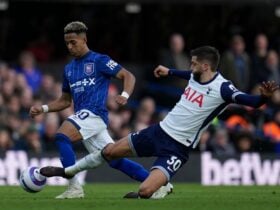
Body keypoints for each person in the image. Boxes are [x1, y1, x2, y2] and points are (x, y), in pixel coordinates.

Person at [40, 46, 278, 199]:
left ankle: (159, 187)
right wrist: (169, 71)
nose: (190, 66)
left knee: (145, 192)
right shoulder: (196, 76)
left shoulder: (223, 88)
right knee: (109, 151)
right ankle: (68, 172)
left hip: (178, 148)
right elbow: (187, 76)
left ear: (206, 66)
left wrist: (263, 98)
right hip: (158, 132)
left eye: (194, 63)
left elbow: (250, 101)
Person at [30, 21, 172, 199]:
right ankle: (161, 184)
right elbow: (65, 101)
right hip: (83, 117)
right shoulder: (69, 69)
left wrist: (125, 95)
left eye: (73, 42)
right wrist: (43, 108)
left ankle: (74, 188)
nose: (70, 46)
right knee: (115, 160)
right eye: (67, 43)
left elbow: (128, 75)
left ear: (84, 40)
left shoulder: (99, 60)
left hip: (95, 113)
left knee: (61, 136)